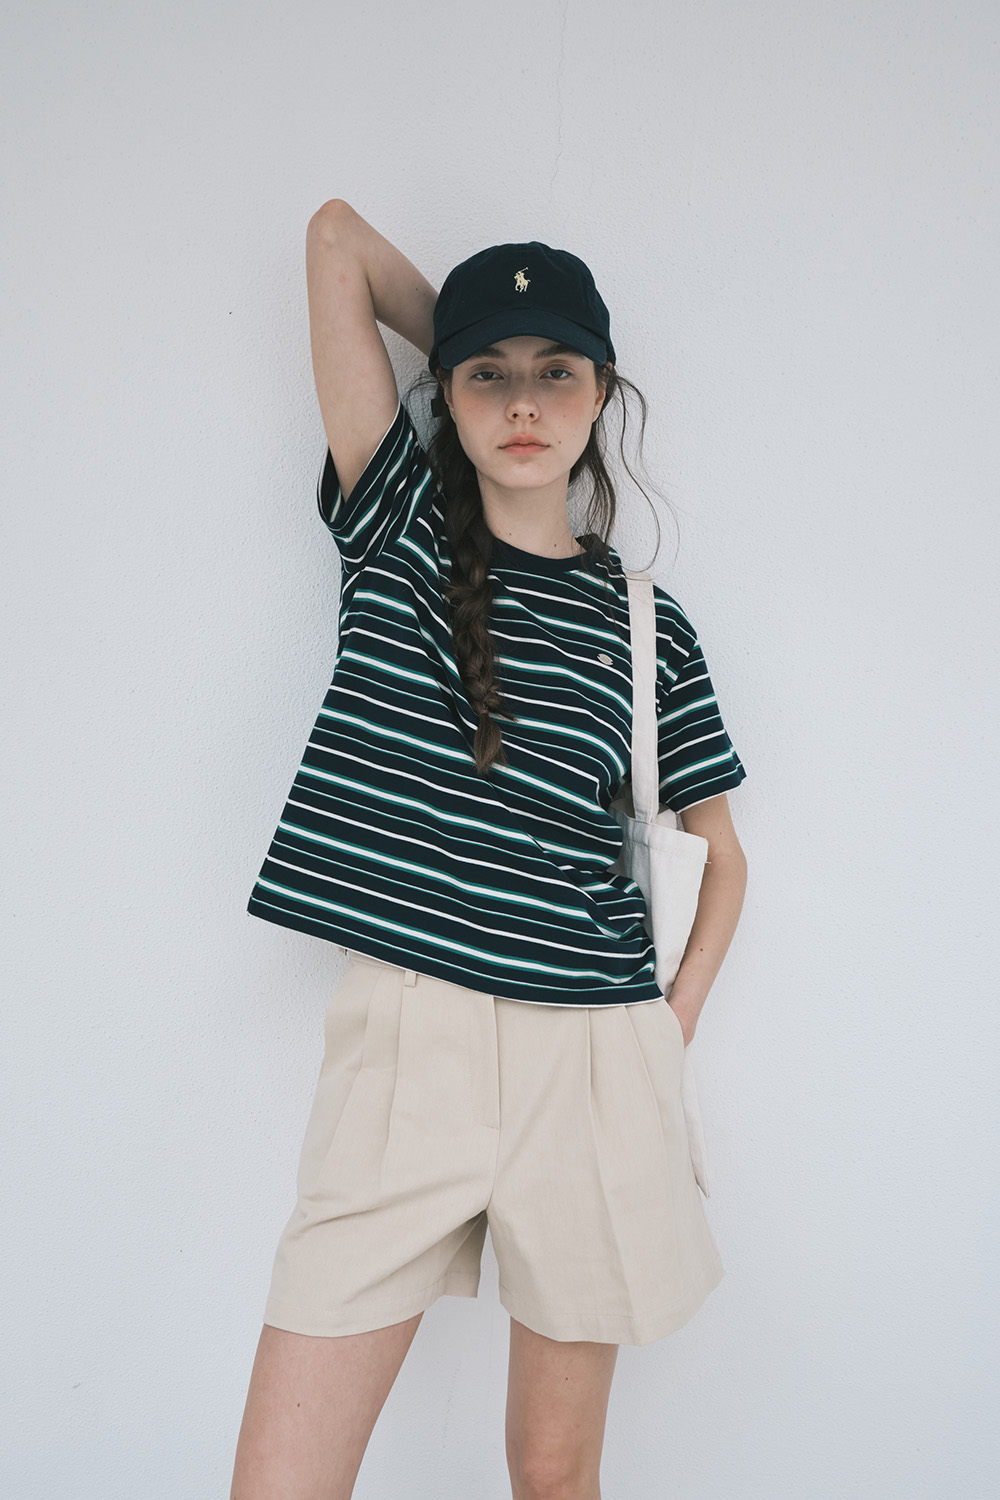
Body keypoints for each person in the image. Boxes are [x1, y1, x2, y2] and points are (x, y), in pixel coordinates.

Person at [230, 200, 748, 1500]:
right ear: (447, 391)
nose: (523, 402)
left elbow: (723, 855)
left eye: (556, 372)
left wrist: (663, 1029)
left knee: (552, 1475)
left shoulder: (648, 624)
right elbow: (336, 242)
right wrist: (470, 328)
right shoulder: (399, 531)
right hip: (410, 1044)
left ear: (601, 392)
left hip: (594, 1055)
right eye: (487, 375)